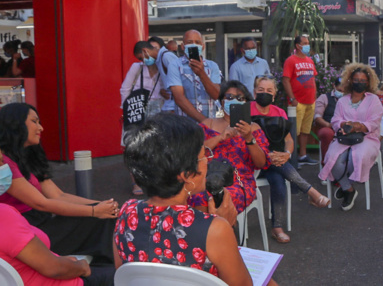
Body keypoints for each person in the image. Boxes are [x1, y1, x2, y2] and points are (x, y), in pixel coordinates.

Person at [118, 114, 276, 286]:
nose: (208, 161)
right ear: (185, 175)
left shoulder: (126, 212)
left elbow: (123, 275)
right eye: (204, 156)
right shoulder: (214, 229)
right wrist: (227, 225)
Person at [0, 103, 118, 263]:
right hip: (27, 230)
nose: (40, 128)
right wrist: (94, 211)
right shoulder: (4, 163)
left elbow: (58, 195)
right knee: (101, 220)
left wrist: (102, 205)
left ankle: (109, 267)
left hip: (43, 220)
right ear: (16, 123)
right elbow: (41, 203)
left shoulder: (27, 155)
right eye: (34, 122)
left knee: (108, 216)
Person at [250, 75, 329, 244]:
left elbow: (289, 140)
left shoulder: (279, 112)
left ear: (275, 94)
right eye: (261, 90)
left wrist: (286, 154)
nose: (265, 93)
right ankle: (311, 192)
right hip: (253, 161)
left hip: (276, 162)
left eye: (269, 90)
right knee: (276, 163)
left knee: (278, 180)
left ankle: (277, 228)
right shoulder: (246, 110)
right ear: (254, 91)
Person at [188, 81, 269, 215]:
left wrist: (249, 138)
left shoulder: (253, 128)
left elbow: (261, 163)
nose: (234, 101)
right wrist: (220, 137)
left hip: (239, 181)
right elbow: (194, 154)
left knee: (222, 197)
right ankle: (207, 233)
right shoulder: (208, 124)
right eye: (229, 97)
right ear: (221, 101)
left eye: (240, 98)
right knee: (198, 195)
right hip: (207, 178)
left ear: (246, 102)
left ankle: (220, 231)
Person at [317, 63, 383, 211]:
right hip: (344, 138)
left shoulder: (374, 100)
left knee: (357, 157)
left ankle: (345, 185)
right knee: (332, 158)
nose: (359, 83)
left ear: (368, 82)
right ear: (350, 80)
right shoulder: (342, 101)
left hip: (367, 138)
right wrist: (344, 124)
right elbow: (334, 120)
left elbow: (374, 121)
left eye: (362, 80)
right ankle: (349, 189)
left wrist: (358, 126)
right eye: (356, 79)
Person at [120, 41, 164, 195]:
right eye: (140, 58)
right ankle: (136, 182)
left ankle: (154, 180)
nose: (143, 60)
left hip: (158, 109)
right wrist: (126, 110)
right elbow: (125, 89)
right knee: (134, 146)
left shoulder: (163, 67)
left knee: (156, 146)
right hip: (137, 108)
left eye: (142, 56)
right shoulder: (136, 68)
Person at [157, 30, 222, 122]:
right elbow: (179, 98)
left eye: (197, 42)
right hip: (186, 125)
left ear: (203, 46)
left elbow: (216, 95)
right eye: (189, 42)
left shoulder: (212, 66)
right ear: (183, 46)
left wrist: (202, 73)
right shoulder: (175, 65)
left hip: (211, 122)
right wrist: (205, 121)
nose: (194, 45)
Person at [281, 35, 319, 166]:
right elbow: (285, 80)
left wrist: (315, 96)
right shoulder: (291, 61)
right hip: (297, 101)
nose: (308, 45)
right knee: (294, 131)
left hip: (310, 101)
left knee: (305, 130)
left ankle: (303, 155)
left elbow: (313, 78)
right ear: (298, 45)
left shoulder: (309, 60)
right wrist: (292, 98)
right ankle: (293, 157)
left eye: (308, 43)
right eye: (305, 43)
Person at [314, 77, 343, 163]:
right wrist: (328, 125)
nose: (342, 92)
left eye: (344, 91)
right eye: (340, 90)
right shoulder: (324, 98)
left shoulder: (350, 98)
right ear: (334, 86)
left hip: (345, 126)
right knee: (326, 133)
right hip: (329, 126)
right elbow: (317, 117)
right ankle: (326, 162)